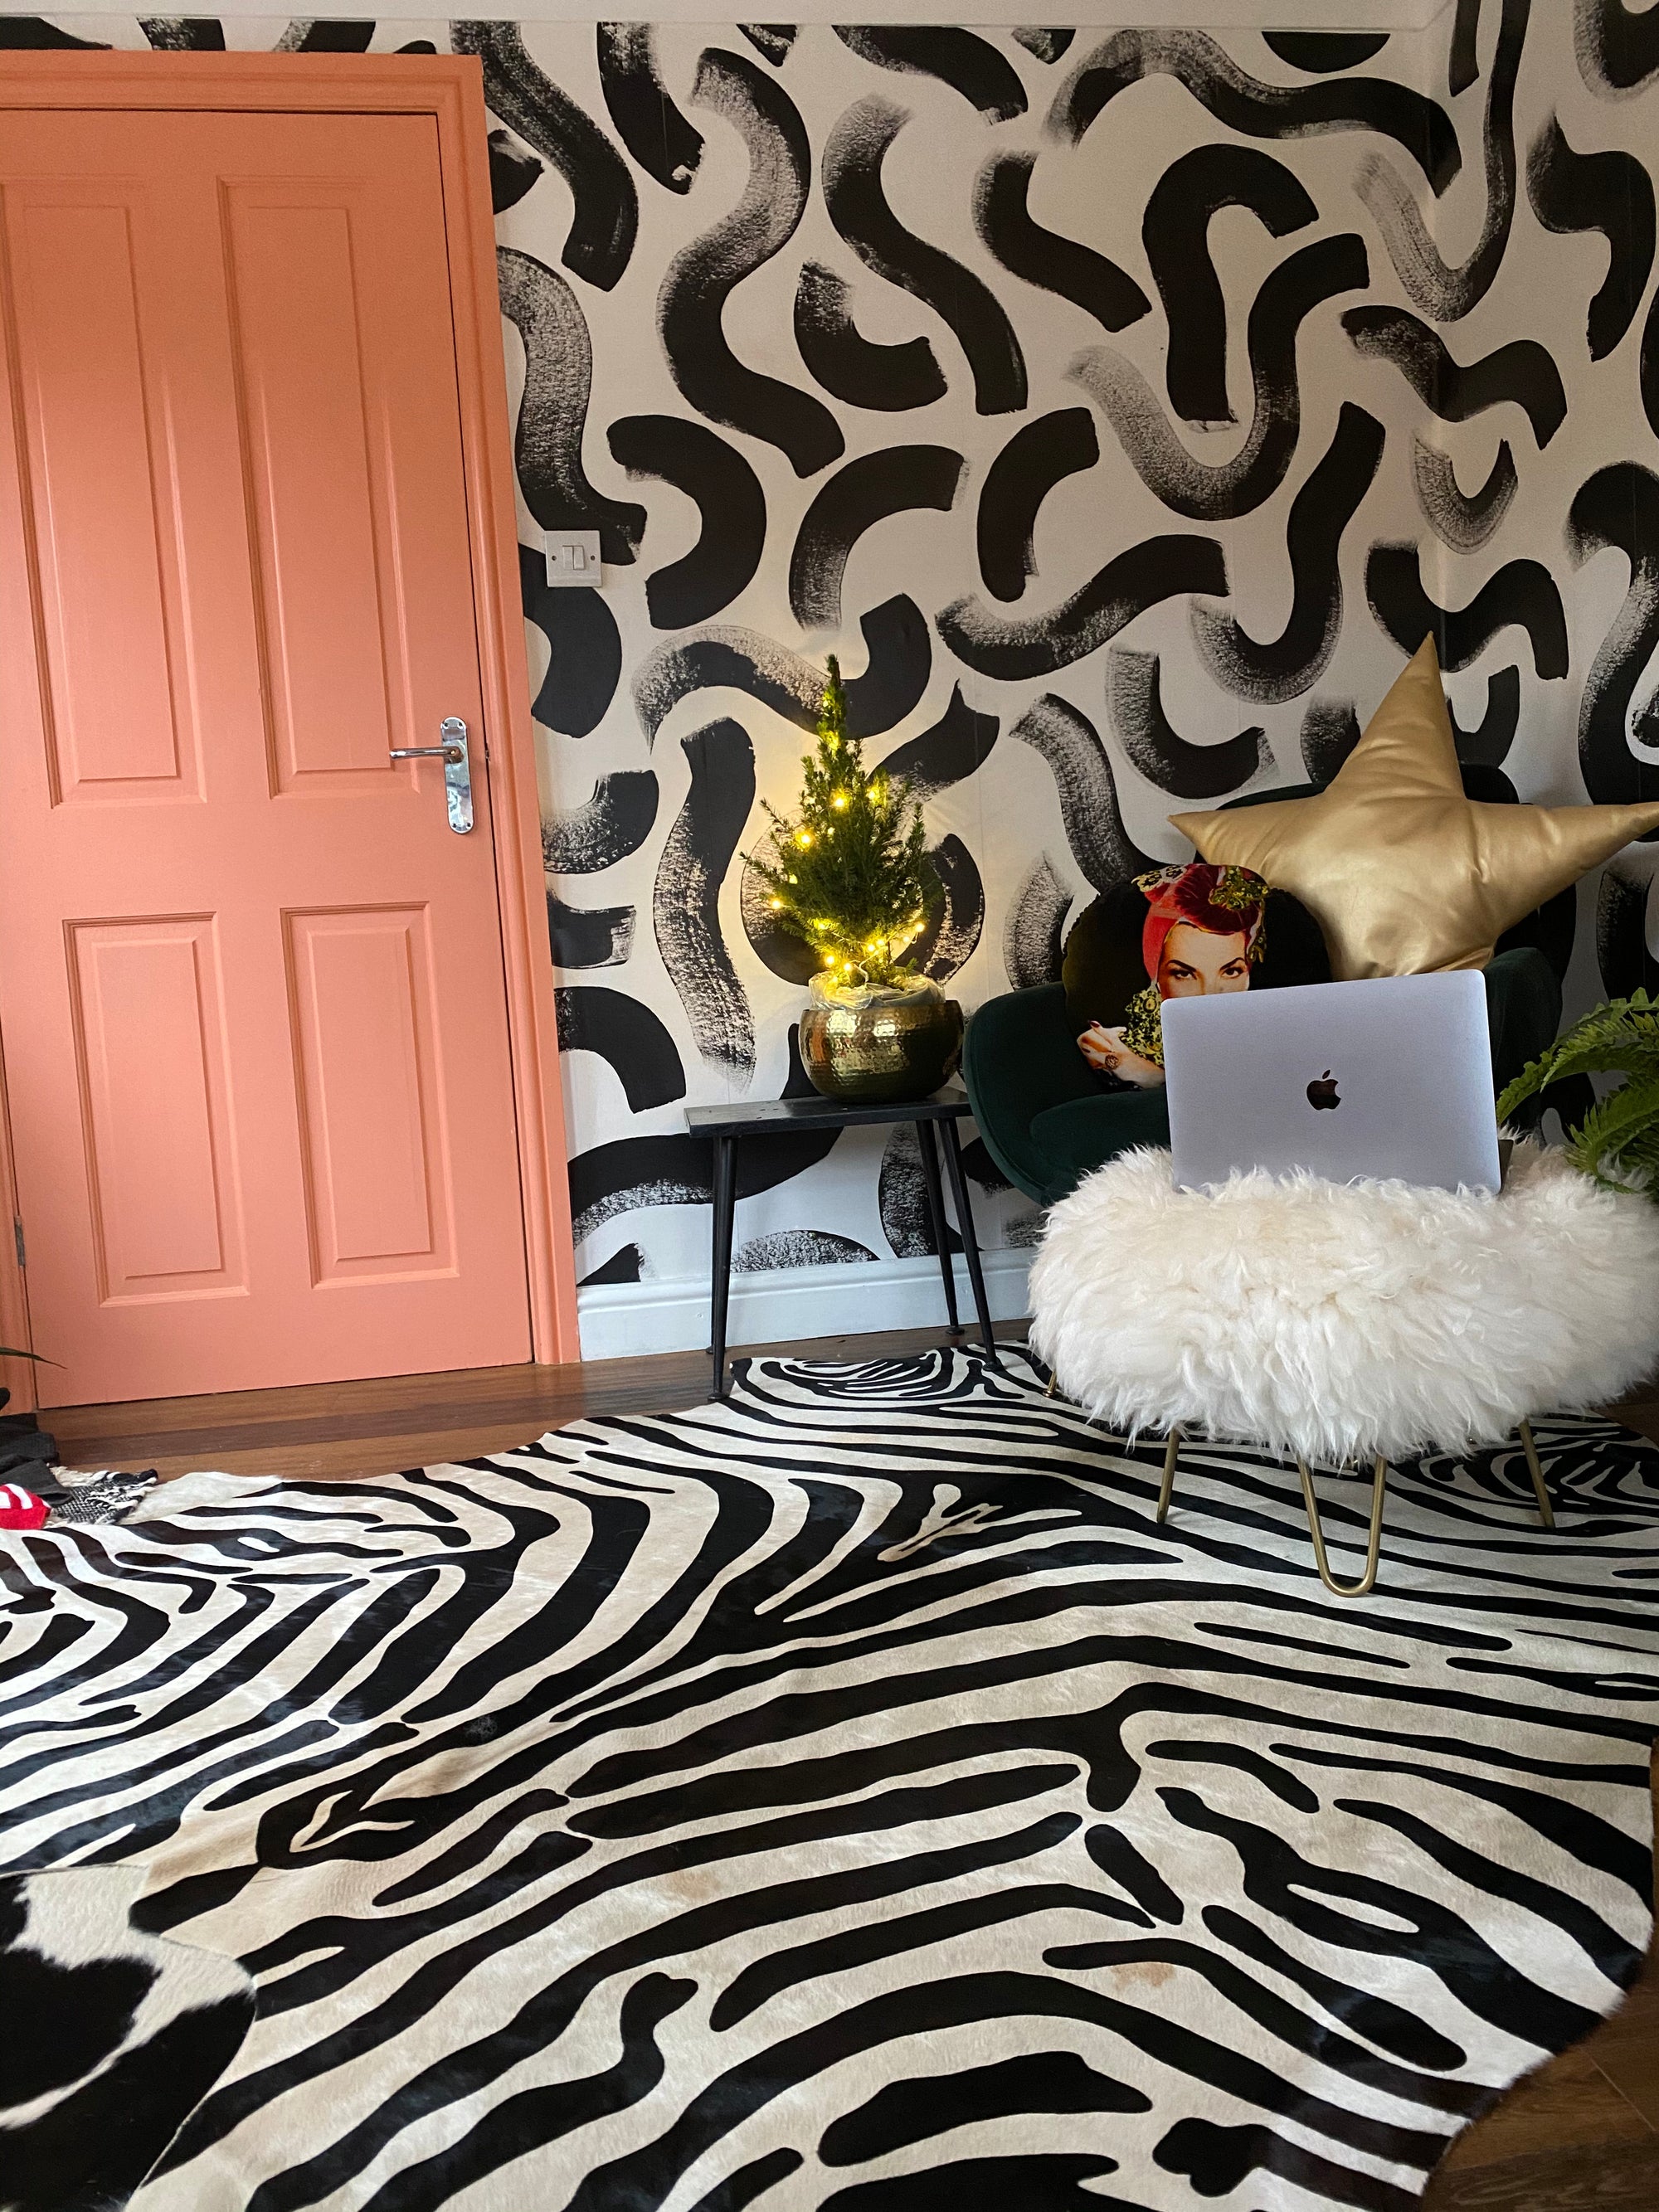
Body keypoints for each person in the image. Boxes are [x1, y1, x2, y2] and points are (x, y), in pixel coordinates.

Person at [1078, 863, 1267, 1088]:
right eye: (1184, 974)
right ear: (1157, 978)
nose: (1208, 996)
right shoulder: (1121, 1045)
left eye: (1231, 971)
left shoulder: (1273, 1036)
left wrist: (1155, 1079)